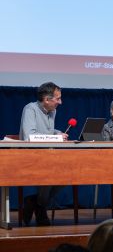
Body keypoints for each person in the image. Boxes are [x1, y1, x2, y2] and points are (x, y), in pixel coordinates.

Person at [20, 82, 69, 226]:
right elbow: (30, 136)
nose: (60, 102)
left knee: (68, 175)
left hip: (49, 154)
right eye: (58, 99)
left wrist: (58, 133)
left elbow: (47, 132)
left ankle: (34, 201)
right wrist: (55, 138)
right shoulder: (30, 109)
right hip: (31, 155)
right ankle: (41, 209)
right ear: (47, 100)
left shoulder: (52, 111)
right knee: (50, 173)